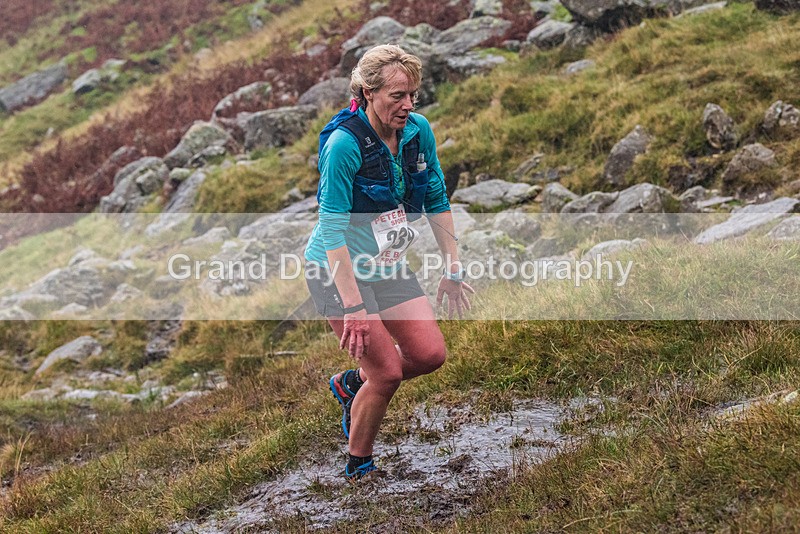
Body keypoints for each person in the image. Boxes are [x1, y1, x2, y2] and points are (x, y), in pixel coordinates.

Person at [304, 44, 474, 480]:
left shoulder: (418, 131)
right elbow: (331, 232)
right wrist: (355, 308)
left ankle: (351, 385)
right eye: (397, 96)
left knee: (430, 354)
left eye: (412, 94)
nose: (408, 105)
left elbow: (436, 198)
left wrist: (452, 267)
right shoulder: (343, 145)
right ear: (367, 93)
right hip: (337, 270)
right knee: (387, 373)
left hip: (387, 262)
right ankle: (359, 465)